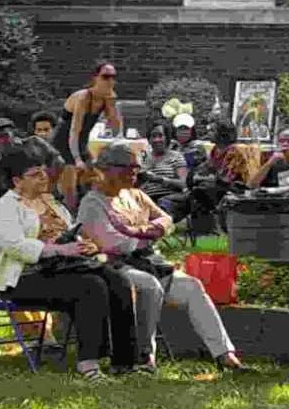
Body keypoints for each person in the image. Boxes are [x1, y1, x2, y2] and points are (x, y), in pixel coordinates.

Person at [78, 143, 245, 373]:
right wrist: (148, 234)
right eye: (128, 168)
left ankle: (225, 354)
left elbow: (167, 221)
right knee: (150, 286)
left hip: (147, 262)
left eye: (136, 168)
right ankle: (145, 357)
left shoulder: (135, 194)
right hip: (113, 268)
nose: (134, 172)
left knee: (192, 286)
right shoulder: (92, 202)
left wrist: (142, 230)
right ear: (107, 169)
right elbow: (112, 243)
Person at [0, 145, 139, 382]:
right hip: (22, 278)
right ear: (17, 181)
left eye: (43, 172)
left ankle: (125, 361)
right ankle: (88, 362)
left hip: (60, 268)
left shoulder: (50, 203)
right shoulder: (7, 207)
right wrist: (58, 249)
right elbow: (14, 246)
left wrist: (82, 244)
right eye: (35, 175)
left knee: (118, 280)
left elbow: (70, 231)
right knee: (90, 286)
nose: (43, 178)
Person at [52, 61, 123, 211]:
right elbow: (74, 130)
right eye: (106, 77)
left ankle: (93, 213)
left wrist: (112, 104)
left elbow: (116, 129)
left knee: (96, 178)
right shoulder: (83, 97)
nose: (110, 81)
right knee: (70, 187)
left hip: (81, 142)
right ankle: (71, 218)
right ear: (95, 78)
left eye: (113, 77)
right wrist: (77, 158)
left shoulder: (106, 99)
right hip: (63, 143)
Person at [136, 122, 190, 217]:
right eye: (153, 136)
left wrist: (159, 179)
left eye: (161, 136)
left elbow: (184, 183)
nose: (157, 140)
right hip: (146, 198)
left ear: (167, 138)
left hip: (168, 199)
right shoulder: (144, 155)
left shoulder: (176, 156)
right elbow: (136, 180)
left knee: (162, 206)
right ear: (149, 139)